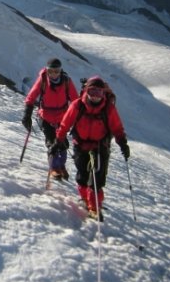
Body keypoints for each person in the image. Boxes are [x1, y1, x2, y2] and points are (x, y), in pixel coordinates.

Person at [51, 76, 130, 221]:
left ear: (103, 93)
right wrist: (58, 141)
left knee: (96, 178)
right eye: (92, 91)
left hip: (100, 147)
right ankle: (86, 200)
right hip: (80, 145)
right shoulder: (77, 105)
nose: (95, 96)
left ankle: (94, 206)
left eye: (98, 92)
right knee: (82, 175)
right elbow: (65, 124)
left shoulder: (108, 108)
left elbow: (117, 128)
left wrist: (123, 143)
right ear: (86, 91)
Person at [22, 58, 78, 180]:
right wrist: (27, 114)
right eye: (51, 71)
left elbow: (75, 101)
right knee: (51, 142)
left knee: (63, 144)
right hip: (45, 117)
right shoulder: (42, 80)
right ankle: (54, 168)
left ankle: (61, 166)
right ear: (47, 71)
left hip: (62, 119)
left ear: (60, 71)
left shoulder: (67, 81)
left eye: (56, 71)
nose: (53, 74)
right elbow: (31, 96)